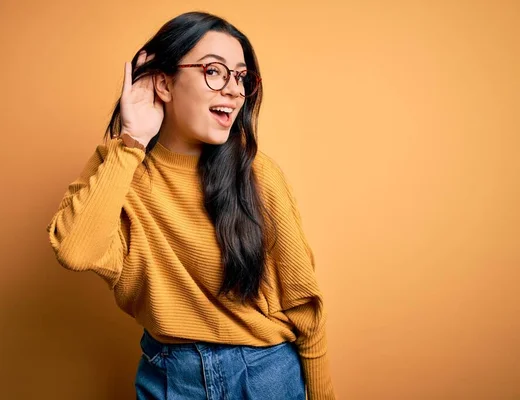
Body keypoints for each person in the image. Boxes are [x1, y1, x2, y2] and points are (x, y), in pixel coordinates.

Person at [46, 10, 336, 400]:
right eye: (214, 71)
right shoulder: (118, 165)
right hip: (168, 377)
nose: (234, 90)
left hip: (264, 375)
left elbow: (304, 305)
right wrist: (132, 142)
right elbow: (75, 250)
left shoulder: (257, 173)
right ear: (163, 83)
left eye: (241, 77)